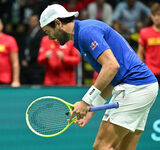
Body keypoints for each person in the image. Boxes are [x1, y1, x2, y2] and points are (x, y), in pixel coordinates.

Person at [39, 4, 158, 150]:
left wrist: (85, 101)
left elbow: (111, 66)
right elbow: (111, 77)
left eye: (47, 31)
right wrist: (90, 106)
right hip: (145, 86)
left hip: (134, 87)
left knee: (101, 146)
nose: (50, 38)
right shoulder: (81, 36)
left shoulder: (86, 32)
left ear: (58, 23)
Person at [137, 3, 160, 86]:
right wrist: (142, 70)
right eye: (154, 15)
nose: (156, 18)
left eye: (159, 14)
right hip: (150, 73)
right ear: (151, 16)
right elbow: (139, 53)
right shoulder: (144, 32)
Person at [21, 14, 45, 85]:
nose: (32, 22)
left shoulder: (41, 34)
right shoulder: (28, 32)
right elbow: (25, 47)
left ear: (38, 22)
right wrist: (23, 59)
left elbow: (38, 50)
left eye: (34, 21)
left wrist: (28, 61)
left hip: (36, 66)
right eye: (30, 21)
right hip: (27, 66)